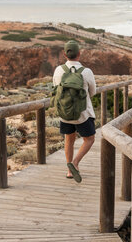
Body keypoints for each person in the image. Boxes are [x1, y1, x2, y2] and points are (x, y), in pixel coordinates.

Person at [52, 40, 96, 183]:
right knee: (89, 139)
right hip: (82, 114)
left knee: (69, 140)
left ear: (64, 54)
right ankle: (75, 162)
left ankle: (69, 171)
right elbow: (93, 92)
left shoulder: (59, 70)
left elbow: (55, 88)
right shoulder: (86, 72)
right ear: (79, 53)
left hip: (65, 113)